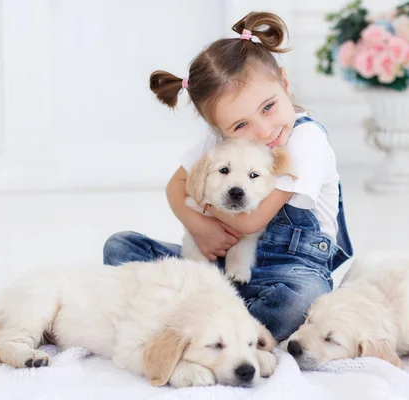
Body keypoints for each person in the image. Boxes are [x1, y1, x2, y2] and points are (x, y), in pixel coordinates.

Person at [103, 11, 353, 342]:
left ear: (284, 83)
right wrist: (199, 228)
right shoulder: (223, 141)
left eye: (268, 107)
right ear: (218, 129)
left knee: (302, 300)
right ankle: (217, 314)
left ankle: (208, 324)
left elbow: (251, 221)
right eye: (240, 125)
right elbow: (175, 186)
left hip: (289, 270)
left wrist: (204, 207)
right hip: (219, 266)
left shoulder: (307, 140)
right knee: (121, 247)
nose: (264, 131)